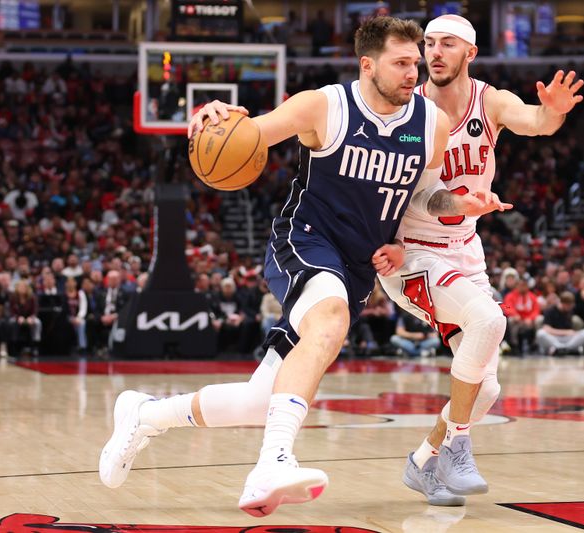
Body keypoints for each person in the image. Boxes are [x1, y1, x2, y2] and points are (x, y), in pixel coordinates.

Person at [99, 16, 502, 516]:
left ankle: (146, 415)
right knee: (329, 321)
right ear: (367, 64)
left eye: (416, 62)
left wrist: (461, 205)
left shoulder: (430, 123)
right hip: (305, 241)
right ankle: (274, 461)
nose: (413, 73)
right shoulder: (324, 105)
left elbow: (426, 197)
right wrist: (211, 110)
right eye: (401, 63)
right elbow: (249, 132)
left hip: (358, 268)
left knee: (259, 400)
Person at [377, 14, 583, 504]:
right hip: (410, 254)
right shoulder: (409, 109)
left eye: (447, 44)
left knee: (485, 388)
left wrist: (552, 114)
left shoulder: (489, 101)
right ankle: (459, 445)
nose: (434, 53)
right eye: (428, 44)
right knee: (490, 320)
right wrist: (455, 206)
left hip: (463, 251)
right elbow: (406, 194)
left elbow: (534, 122)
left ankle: (423, 462)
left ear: (470, 52)